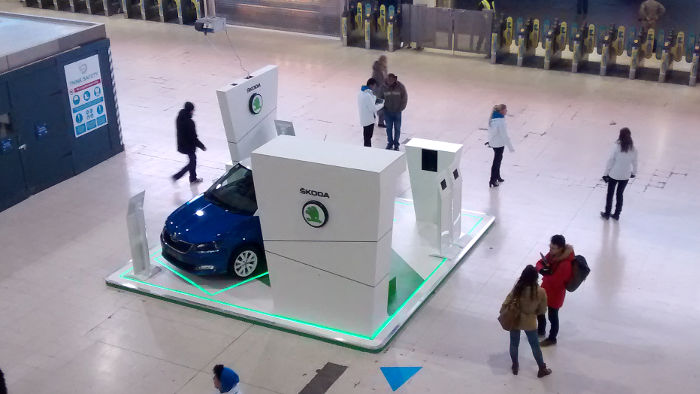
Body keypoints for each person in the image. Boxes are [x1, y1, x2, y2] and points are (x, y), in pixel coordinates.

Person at [502, 265, 552, 378]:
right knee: (535, 346)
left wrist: (503, 310)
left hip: (515, 318)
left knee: (514, 343)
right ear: (536, 277)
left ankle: (515, 365)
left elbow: (508, 299)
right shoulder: (540, 291)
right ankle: (541, 368)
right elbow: (542, 310)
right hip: (530, 322)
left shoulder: (518, 287)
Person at [536, 234, 574, 347]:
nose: (550, 250)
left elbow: (557, 283)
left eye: (553, 248)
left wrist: (546, 273)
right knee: (539, 310)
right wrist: (541, 269)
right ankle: (541, 330)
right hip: (545, 289)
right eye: (550, 247)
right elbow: (539, 263)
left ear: (561, 248)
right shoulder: (552, 255)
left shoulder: (566, 264)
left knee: (553, 317)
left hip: (555, 295)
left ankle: (552, 338)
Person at [601, 128, 638, 220]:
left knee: (610, 194)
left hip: (614, 174)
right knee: (620, 194)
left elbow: (611, 160)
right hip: (625, 176)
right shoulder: (633, 149)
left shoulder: (617, 147)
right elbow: (635, 162)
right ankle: (617, 214)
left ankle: (607, 213)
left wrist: (606, 173)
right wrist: (633, 172)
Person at [172, 102, 206, 184]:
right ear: (190, 110)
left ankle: (192, 178)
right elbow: (193, 138)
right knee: (192, 162)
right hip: (189, 146)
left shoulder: (179, 118)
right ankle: (177, 176)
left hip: (181, 144)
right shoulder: (189, 122)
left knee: (192, 161)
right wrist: (202, 146)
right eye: (192, 110)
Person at [486, 104, 514, 188]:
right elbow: (504, 135)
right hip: (498, 144)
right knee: (496, 162)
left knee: (498, 160)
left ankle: (497, 176)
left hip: (496, 143)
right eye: (505, 110)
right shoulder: (500, 122)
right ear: (501, 111)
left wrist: (490, 141)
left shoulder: (494, 119)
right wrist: (510, 147)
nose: (506, 111)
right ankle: (493, 180)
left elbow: (491, 132)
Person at [380, 73, 408, 151]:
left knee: (397, 129)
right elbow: (379, 98)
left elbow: (404, 98)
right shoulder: (383, 87)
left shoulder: (401, 87)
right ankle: (390, 143)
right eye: (389, 80)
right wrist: (381, 110)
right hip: (387, 112)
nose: (390, 82)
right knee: (388, 128)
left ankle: (396, 144)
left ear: (395, 79)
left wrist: (400, 108)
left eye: (392, 80)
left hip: (397, 112)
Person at [357, 78, 383, 147]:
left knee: (366, 137)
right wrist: (381, 103)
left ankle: (367, 149)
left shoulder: (361, 93)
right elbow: (373, 108)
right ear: (372, 85)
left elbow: (370, 102)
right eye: (375, 86)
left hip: (364, 119)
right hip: (369, 120)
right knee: (368, 137)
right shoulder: (367, 95)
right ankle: (368, 151)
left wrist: (375, 98)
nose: (375, 88)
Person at [372, 55, 388, 127]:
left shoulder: (384, 68)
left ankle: (380, 121)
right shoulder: (377, 69)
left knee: (380, 106)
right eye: (385, 61)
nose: (386, 62)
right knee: (380, 105)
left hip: (382, 89)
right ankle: (379, 121)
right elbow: (376, 80)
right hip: (377, 90)